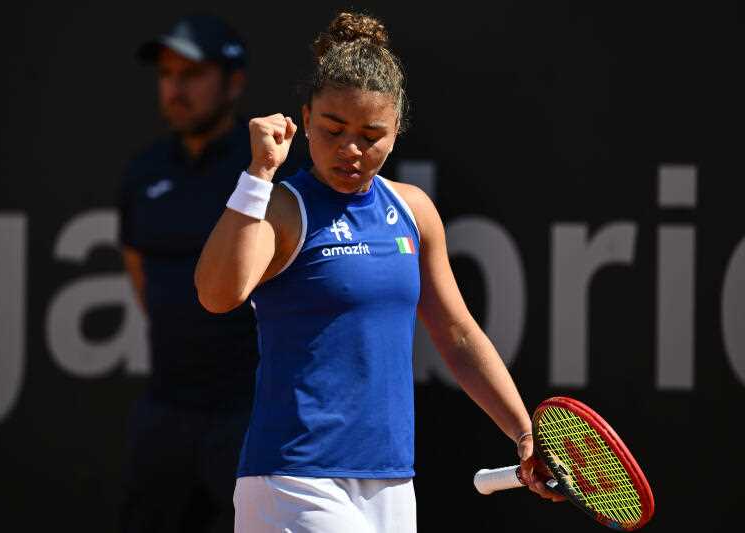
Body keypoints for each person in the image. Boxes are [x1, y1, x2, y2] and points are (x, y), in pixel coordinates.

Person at [194, 11, 564, 532]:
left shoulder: (413, 211)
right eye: (332, 129)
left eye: (371, 135)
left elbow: (457, 334)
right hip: (294, 480)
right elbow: (217, 294)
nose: (350, 150)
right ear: (305, 118)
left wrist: (524, 433)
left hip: (391, 482)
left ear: (395, 133)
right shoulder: (282, 208)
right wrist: (258, 174)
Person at [116, 13, 305, 532]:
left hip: (252, 415)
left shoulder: (268, 172)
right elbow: (141, 275)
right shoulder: (143, 171)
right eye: (167, 74)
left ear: (234, 82)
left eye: (193, 74)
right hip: (165, 411)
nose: (176, 89)